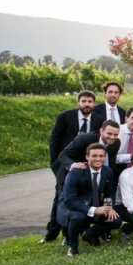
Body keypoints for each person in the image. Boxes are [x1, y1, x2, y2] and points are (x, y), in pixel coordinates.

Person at [42, 90, 98, 243]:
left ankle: (79, 230)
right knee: (61, 197)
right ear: (78, 102)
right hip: (65, 163)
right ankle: (53, 232)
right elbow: (54, 140)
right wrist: (56, 163)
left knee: (85, 197)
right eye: (84, 101)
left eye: (90, 102)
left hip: (87, 165)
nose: (87, 104)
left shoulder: (98, 119)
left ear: (94, 103)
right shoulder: (65, 117)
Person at [57, 143, 122, 257]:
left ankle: (89, 234)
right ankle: (73, 247)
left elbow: (109, 192)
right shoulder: (76, 172)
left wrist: (108, 207)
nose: (98, 159)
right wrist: (94, 210)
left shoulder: (107, 171)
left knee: (115, 220)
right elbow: (69, 201)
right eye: (94, 156)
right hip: (72, 206)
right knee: (78, 217)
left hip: (93, 205)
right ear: (87, 157)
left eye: (101, 156)